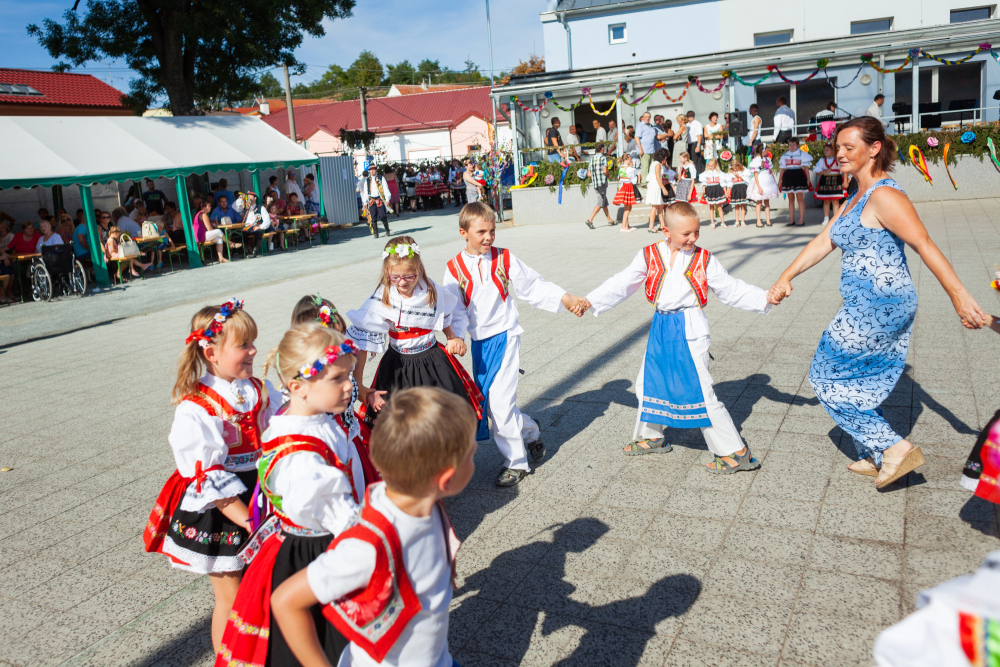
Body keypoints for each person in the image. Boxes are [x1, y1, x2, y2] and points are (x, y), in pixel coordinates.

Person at [767, 117, 988, 488]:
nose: (839, 154)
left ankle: (894, 449)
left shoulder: (885, 196)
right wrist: (785, 276)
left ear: (874, 149)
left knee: (824, 378)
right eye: (837, 147)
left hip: (880, 307)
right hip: (863, 305)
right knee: (856, 381)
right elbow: (824, 241)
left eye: (848, 147)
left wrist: (959, 297)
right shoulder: (856, 196)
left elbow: (924, 244)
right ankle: (875, 454)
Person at [270, 387, 473, 667]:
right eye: (471, 455)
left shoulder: (426, 504)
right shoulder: (370, 542)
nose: (474, 461)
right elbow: (286, 601)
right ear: (446, 479)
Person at [215, 324, 363, 667]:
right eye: (337, 378)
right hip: (314, 549)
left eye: (349, 375)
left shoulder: (310, 420)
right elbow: (342, 519)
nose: (349, 385)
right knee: (327, 637)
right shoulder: (302, 459)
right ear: (298, 387)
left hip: (309, 539)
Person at [584, 202, 772, 470]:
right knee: (648, 384)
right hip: (661, 325)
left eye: (697, 231)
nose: (693, 238)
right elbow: (622, 282)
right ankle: (651, 437)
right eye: (686, 234)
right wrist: (589, 301)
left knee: (701, 392)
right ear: (666, 231)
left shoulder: (704, 259)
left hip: (690, 327)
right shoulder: (649, 254)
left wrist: (765, 297)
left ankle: (736, 452)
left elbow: (731, 289)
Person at [142, 300, 281, 653]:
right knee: (231, 597)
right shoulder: (196, 407)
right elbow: (211, 479)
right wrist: (250, 521)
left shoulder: (258, 389)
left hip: (259, 492)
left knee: (262, 585)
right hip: (224, 506)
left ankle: (261, 651)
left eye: (253, 342)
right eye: (243, 345)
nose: (253, 350)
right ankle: (229, 657)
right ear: (211, 353)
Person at [444, 202, 587, 486]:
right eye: (481, 232)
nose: (488, 237)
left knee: (499, 404)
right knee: (491, 404)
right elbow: (455, 309)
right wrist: (455, 336)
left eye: (492, 231)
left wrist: (564, 297)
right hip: (480, 344)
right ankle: (531, 431)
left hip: (506, 337)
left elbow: (533, 285)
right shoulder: (453, 268)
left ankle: (516, 463)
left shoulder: (504, 258)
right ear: (463, 233)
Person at [346, 236, 482, 428]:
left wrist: (452, 337)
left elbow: (441, 314)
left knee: (442, 420)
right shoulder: (383, 298)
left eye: (409, 276)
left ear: (419, 269)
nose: (402, 282)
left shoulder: (430, 289)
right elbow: (363, 341)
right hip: (398, 366)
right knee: (402, 424)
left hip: (432, 361)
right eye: (395, 277)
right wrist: (359, 385)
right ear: (387, 272)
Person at [777, 137, 813, 226]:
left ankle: (801, 220)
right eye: (790, 145)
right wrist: (780, 180)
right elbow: (782, 169)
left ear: (797, 145)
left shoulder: (802, 154)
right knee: (790, 199)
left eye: (793, 145)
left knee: (800, 198)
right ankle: (792, 220)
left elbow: (806, 168)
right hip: (788, 176)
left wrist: (808, 179)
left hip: (799, 175)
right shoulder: (785, 155)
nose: (792, 146)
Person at [813, 143, 845, 224]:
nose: (825, 151)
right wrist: (825, 171)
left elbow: (844, 170)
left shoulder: (838, 160)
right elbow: (818, 173)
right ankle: (826, 218)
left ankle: (836, 218)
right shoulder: (822, 160)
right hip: (825, 180)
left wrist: (845, 181)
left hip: (836, 180)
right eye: (825, 150)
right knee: (826, 201)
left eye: (827, 150)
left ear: (833, 150)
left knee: (836, 201)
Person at [747, 143, 778, 227]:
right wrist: (759, 187)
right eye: (766, 149)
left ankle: (768, 220)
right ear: (763, 150)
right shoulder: (756, 161)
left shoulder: (767, 159)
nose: (767, 151)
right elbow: (755, 175)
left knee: (767, 201)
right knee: (759, 202)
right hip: (760, 182)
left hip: (767, 181)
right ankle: (758, 221)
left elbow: (770, 171)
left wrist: (774, 182)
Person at [585, 143, 614, 228]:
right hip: (602, 184)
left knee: (604, 202)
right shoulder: (603, 158)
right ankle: (590, 220)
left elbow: (589, 174)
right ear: (602, 149)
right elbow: (605, 171)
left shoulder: (592, 159)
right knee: (600, 203)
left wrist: (596, 175)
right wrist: (609, 176)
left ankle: (610, 220)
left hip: (595, 184)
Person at [360, 163, 392, 239]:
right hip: (371, 200)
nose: (372, 171)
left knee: (382, 216)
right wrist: (365, 202)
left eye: (373, 169)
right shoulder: (367, 180)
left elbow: (385, 188)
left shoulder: (381, 178)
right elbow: (365, 192)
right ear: (369, 171)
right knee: (373, 217)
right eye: (370, 170)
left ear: (376, 170)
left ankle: (387, 231)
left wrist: (387, 199)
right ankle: (376, 233)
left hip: (379, 199)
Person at [612, 152, 641, 233]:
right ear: (626, 159)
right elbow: (634, 180)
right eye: (630, 159)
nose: (631, 160)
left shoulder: (621, 167)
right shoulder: (630, 169)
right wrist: (632, 168)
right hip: (628, 187)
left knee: (627, 207)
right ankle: (623, 227)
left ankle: (627, 225)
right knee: (628, 208)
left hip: (624, 186)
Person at [645, 148, 673, 233]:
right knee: (655, 207)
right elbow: (657, 177)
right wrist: (664, 189)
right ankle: (651, 227)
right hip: (655, 186)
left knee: (658, 206)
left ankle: (661, 225)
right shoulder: (657, 164)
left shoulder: (653, 163)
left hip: (654, 185)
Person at [237, 191, 271, 257]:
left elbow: (267, 220)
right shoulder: (244, 207)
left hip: (255, 227)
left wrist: (260, 227)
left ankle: (254, 252)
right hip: (246, 227)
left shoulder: (261, 208)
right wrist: (240, 199)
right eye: (247, 195)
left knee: (258, 232)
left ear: (255, 198)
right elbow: (234, 207)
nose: (248, 196)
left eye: (250, 195)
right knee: (238, 234)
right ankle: (245, 252)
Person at [195, 199, 229, 263]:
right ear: (204, 207)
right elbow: (209, 229)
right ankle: (229, 243)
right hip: (201, 237)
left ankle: (221, 258)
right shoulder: (204, 214)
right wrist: (215, 231)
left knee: (219, 239)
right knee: (218, 231)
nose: (210, 207)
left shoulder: (198, 214)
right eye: (209, 206)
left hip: (198, 236)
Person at [699, 159, 728, 229]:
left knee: (720, 207)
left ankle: (723, 223)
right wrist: (704, 192)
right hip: (709, 190)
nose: (710, 167)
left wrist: (726, 192)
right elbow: (704, 184)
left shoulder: (720, 173)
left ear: (716, 165)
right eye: (709, 166)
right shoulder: (705, 173)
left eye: (712, 166)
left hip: (718, 189)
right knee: (711, 207)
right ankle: (712, 223)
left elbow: (723, 183)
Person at [727, 157, 750, 228]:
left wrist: (739, 176)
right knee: (736, 206)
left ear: (738, 165)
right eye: (733, 168)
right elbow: (730, 183)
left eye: (736, 167)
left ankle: (743, 221)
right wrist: (727, 191)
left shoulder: (744, 171)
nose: (735, 169)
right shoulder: (731, 173)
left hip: (742, 188)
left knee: (743, 206)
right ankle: (737, 221)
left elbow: (747, 180)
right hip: (735, 189)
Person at [636, 112, 657, 183]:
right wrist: (640, 149)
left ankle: (650, 181)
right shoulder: (640, 125)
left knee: (651, 166)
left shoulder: (650, 126)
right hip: (644, 150)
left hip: (652, 149)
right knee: (645, 166)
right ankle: (644, 182)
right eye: (646, 117)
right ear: (643, 117)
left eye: (649, 117)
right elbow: (637, 138)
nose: (647, 118)